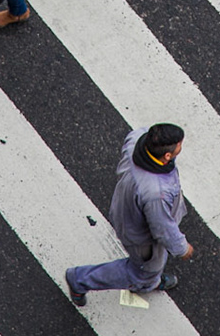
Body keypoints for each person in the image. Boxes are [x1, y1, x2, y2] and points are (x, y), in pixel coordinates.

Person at [66, 124, 193, 304]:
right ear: (166, 156)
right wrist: (181, 248)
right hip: (140, 235)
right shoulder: (156, 194)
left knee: (149, 266)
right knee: (143, 271)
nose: (181, 146)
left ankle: (149, 280)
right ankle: (80, 279)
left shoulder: (137, 139)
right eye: (179, 145)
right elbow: (162, 228)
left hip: (125, 210)